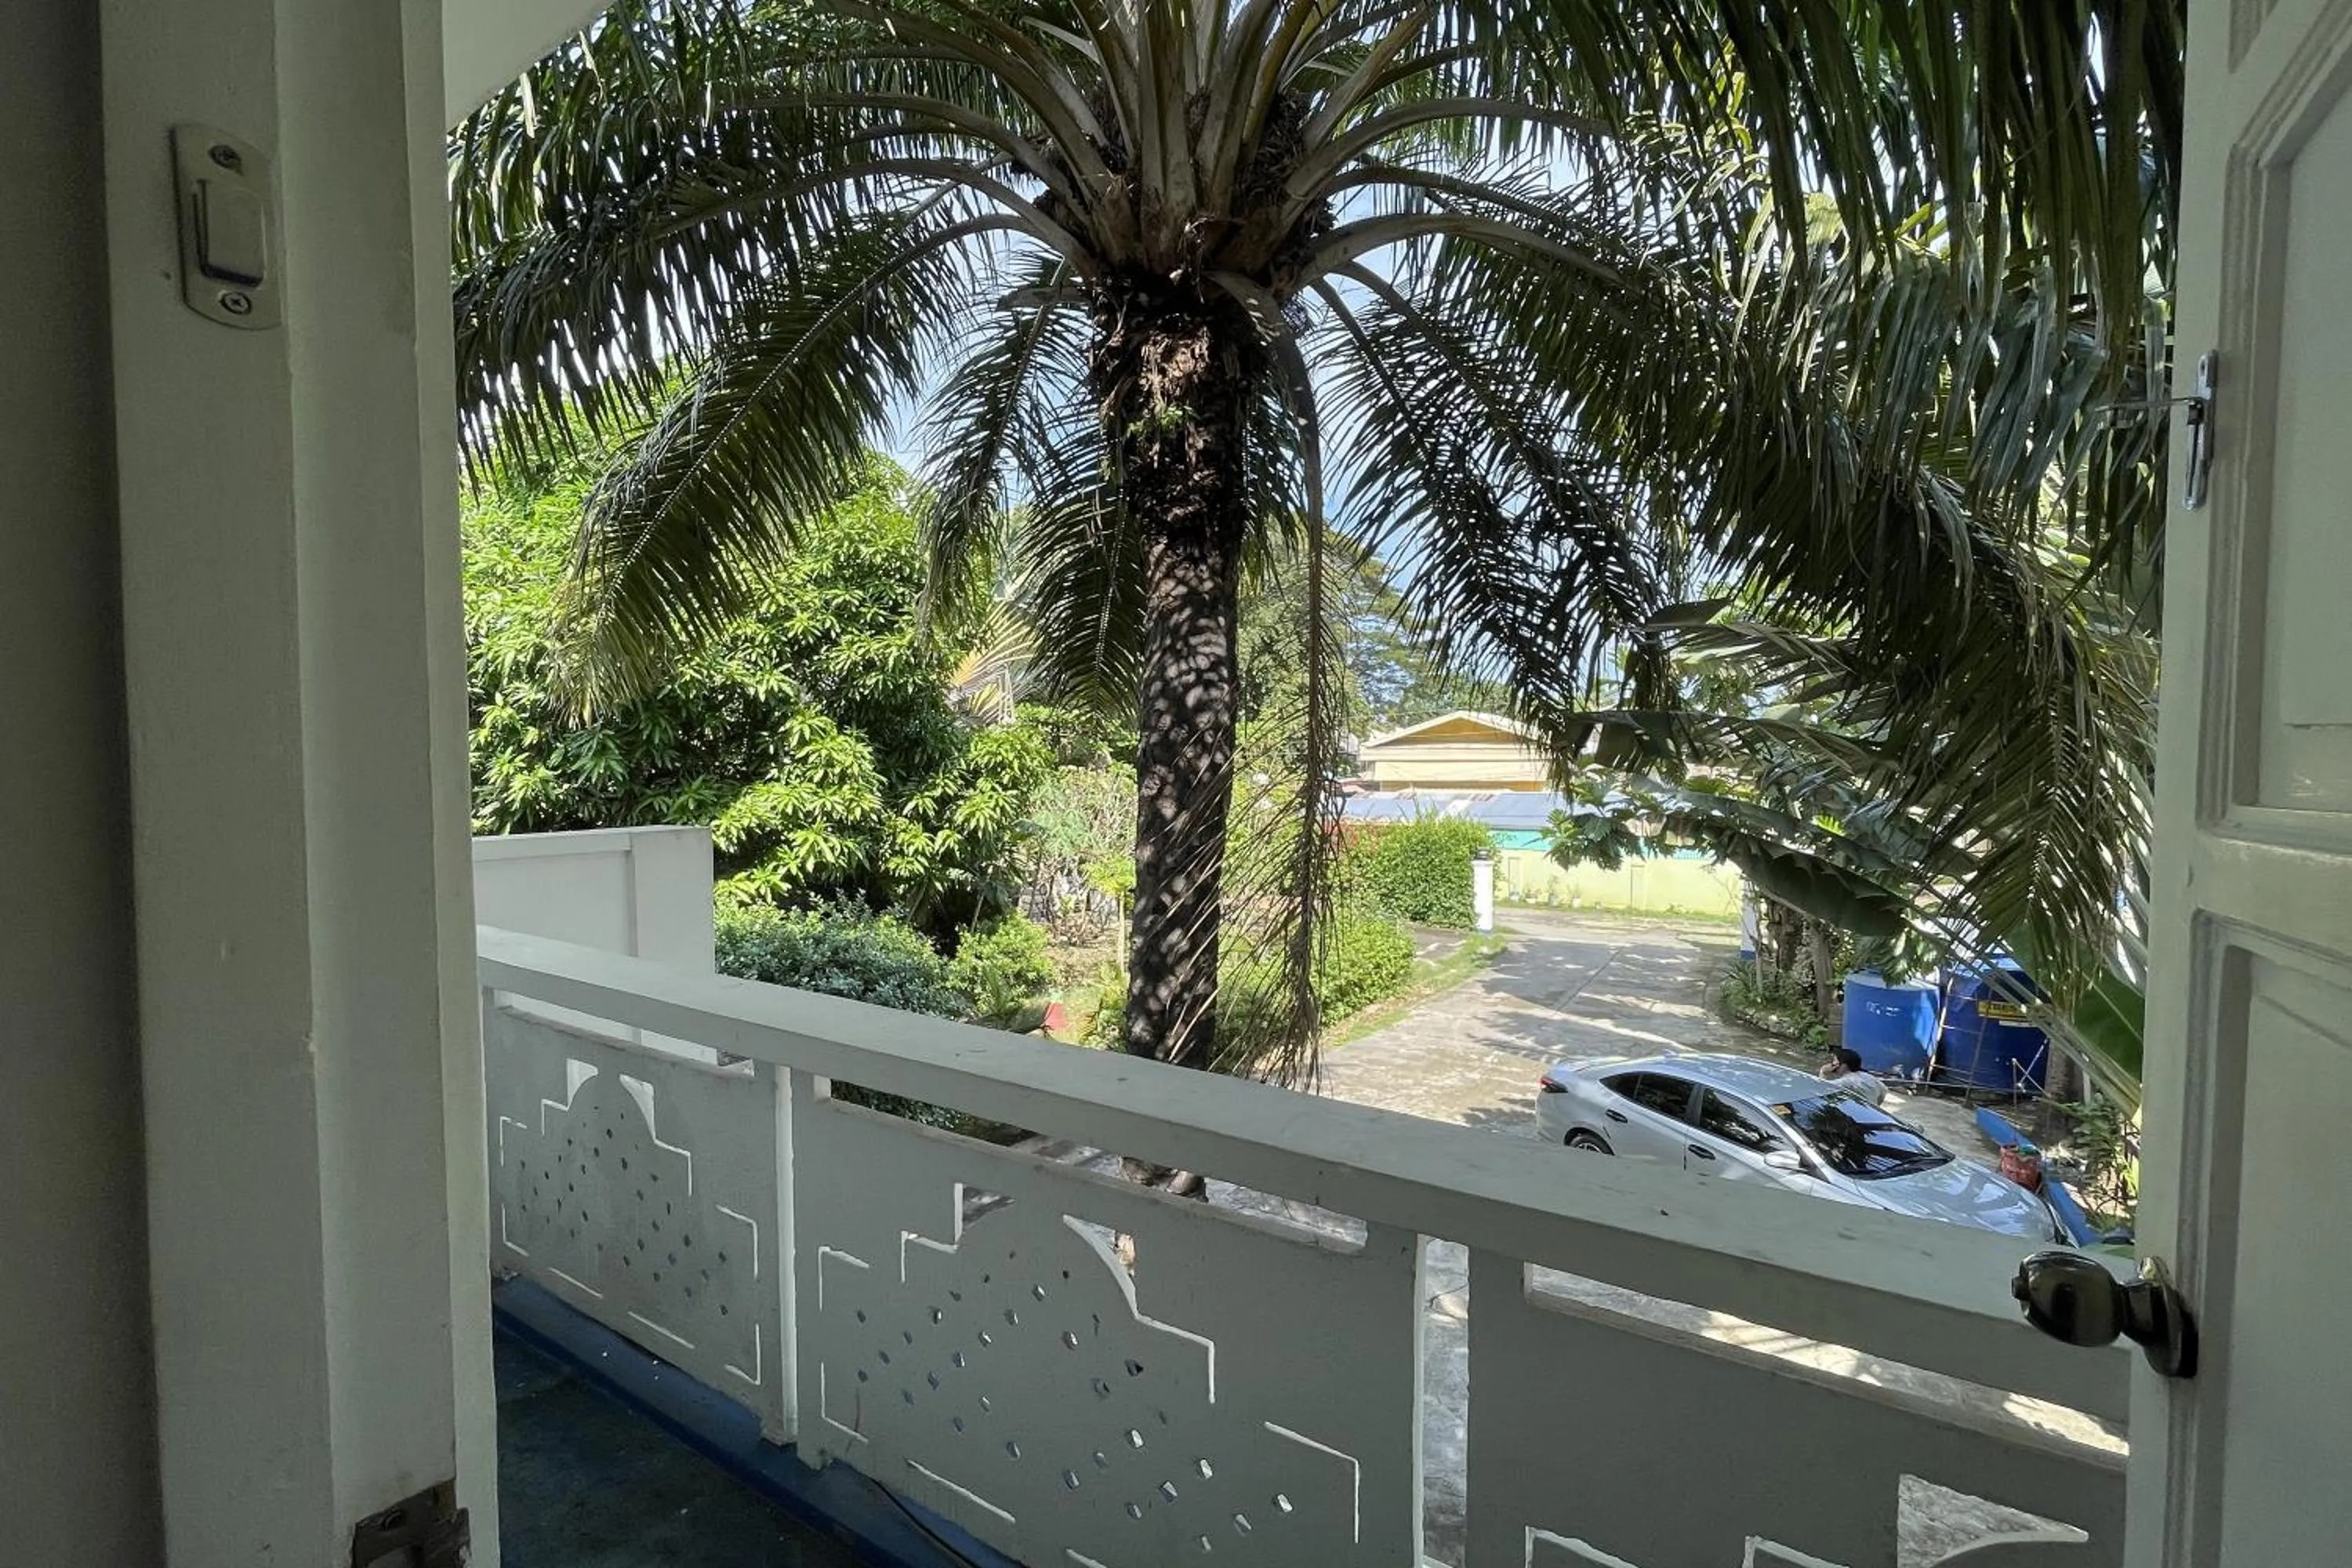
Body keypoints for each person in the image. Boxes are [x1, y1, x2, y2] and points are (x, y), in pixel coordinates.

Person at [1819, 1045, 1887, 1107]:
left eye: (1834, 1061)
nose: (1832, 1064)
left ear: (1843, 1065)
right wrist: (1875, 1106)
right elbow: (1884, 1090)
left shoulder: (1846, 1082)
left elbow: (1823, 1090)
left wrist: (1823, 1072)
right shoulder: (1868, 1077)